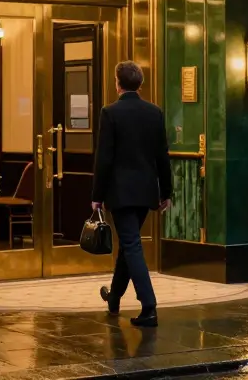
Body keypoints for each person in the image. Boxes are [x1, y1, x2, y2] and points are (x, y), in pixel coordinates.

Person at [91, 60, 172, 328]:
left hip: (121, 193)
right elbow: (163, 156)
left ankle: (149, 306)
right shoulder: (155, 112)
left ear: (117, 83)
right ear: (140, 83)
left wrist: (97, 195)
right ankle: (113, 298)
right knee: (129, 244)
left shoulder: (110, 112)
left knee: (131, 245)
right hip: (146, 192)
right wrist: (166, 192)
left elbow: (104, 159)